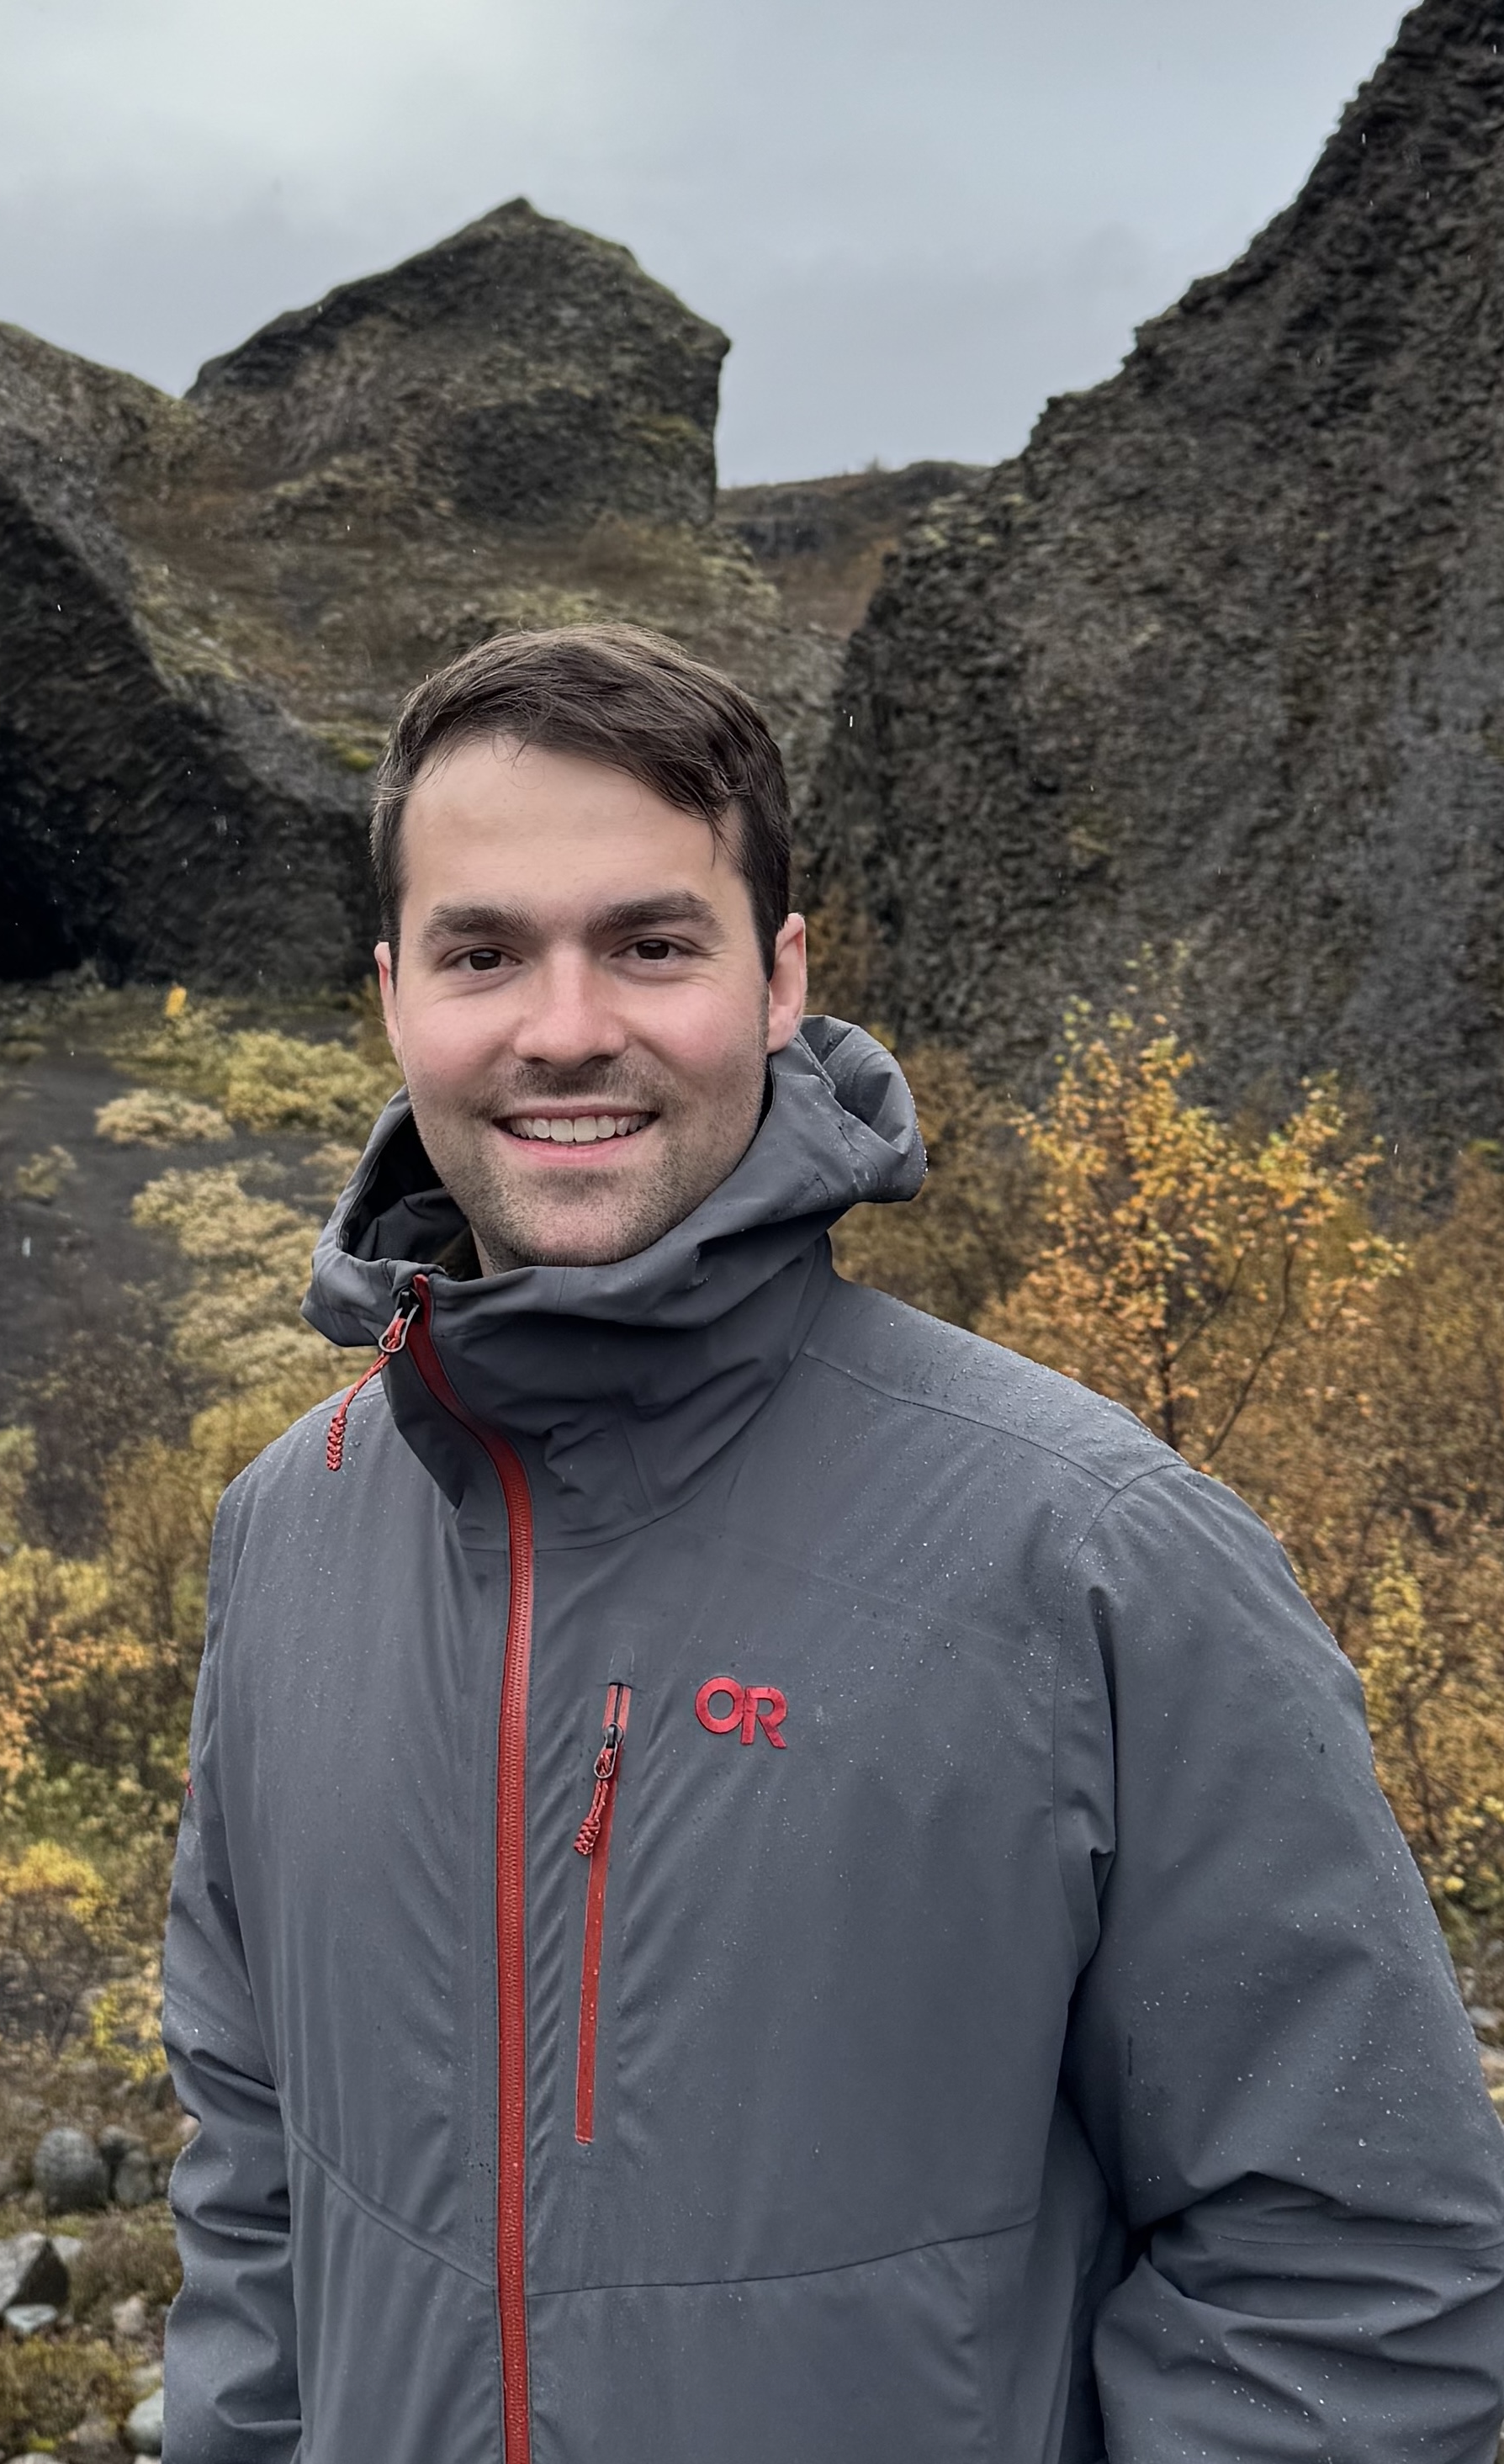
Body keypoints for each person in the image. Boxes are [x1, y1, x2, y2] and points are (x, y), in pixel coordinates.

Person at [162, 623, 1504, 2464]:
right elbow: (253, 2185)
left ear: (780, 977)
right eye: (484, 953)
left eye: (652, 943)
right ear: (393, 994)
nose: (566, 1025)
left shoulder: (1098, 1557)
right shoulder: (285, 1532)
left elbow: (1359, 2268)